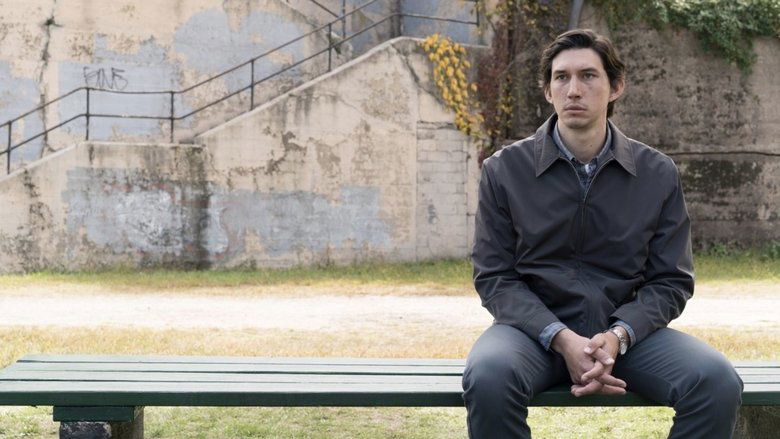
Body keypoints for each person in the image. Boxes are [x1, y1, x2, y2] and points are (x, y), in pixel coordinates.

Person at [462, 29, 743, 438]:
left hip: (628, 339)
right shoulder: (504, 170)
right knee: (489, 376)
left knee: (715, 382)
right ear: (548, 91)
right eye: (561, 77)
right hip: (530, 336)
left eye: (588, 76)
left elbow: (671, 280)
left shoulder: (657, 173)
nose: (574, 89)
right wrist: (560, 337)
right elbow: (494, 277)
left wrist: (617, 336)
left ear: (616, 86)